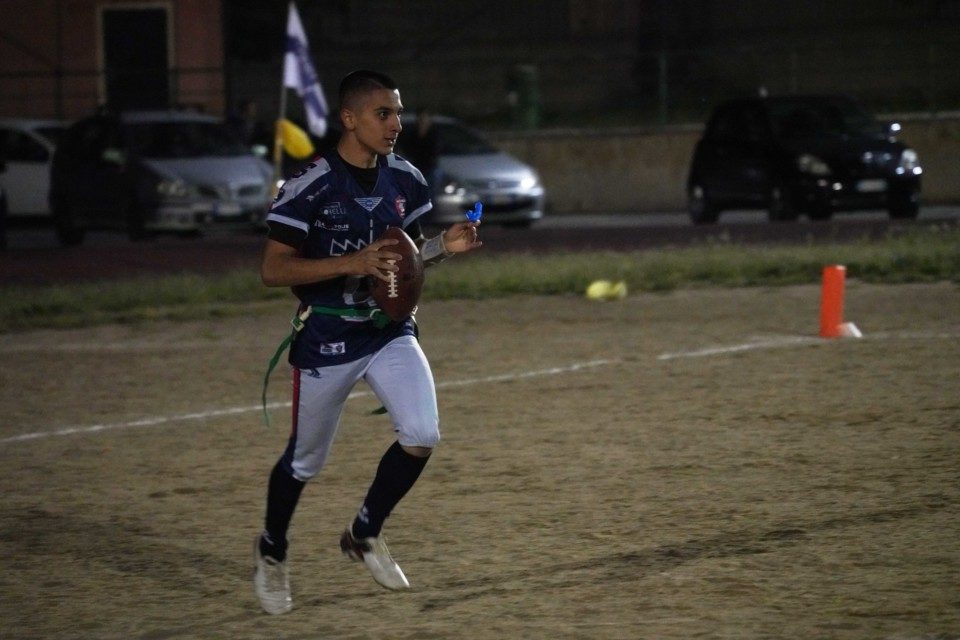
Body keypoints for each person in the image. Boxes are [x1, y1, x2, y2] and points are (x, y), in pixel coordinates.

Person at [253, 69, 482, 615]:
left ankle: (364, 532)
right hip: (328, 334)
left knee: (422, 433)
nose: (396, 123)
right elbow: (272, 270)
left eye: (399, 112)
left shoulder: (406, 178)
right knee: (305, 462)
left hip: (386, 330)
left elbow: (406, 262)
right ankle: (272, 551)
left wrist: (443, 248)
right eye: (384, 113)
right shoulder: (310, 184)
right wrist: (349, 262)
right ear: (349, 119)